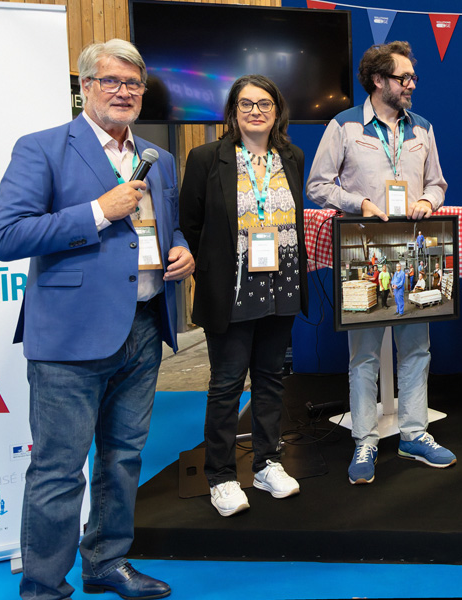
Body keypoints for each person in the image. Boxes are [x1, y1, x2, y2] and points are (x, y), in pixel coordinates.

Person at [0, 39, 193, 600]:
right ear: (85, 87)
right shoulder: (44, 149)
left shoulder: (160, 158)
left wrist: (181, 250)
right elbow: (5, 237)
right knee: (58, 473)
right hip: (70, 341)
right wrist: (100, 212)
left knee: (124, 458)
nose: (125, 92)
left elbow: (160, 230)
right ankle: (43, 587)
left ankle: (105, 561)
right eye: (112, 81)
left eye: (134, 84)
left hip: (145, 328)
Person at [307, 41, 455, 484]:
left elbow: (438, 183)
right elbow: (318, 186)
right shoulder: (344, 126)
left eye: (412, 78)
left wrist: (429, 199)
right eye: (403, 78)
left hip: (415, 247)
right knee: (364, 354)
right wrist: (361, 203)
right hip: (364, 249)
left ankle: (414, 433)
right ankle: (365, 439)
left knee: (416, 347)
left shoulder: (423, 128)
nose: (411, 85)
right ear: (378, 81)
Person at [179, 74, 307, 518]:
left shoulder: (291, 156)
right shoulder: (206, 158)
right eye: (246, 103)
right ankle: (221, 476)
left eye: (265, 103)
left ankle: (268, 462)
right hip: (230, 289)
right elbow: (190, 224)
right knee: (227, 383)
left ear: (277, 111)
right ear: (234, 111)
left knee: (271, 379)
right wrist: (211, 269)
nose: (256, 111)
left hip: (281, 282)